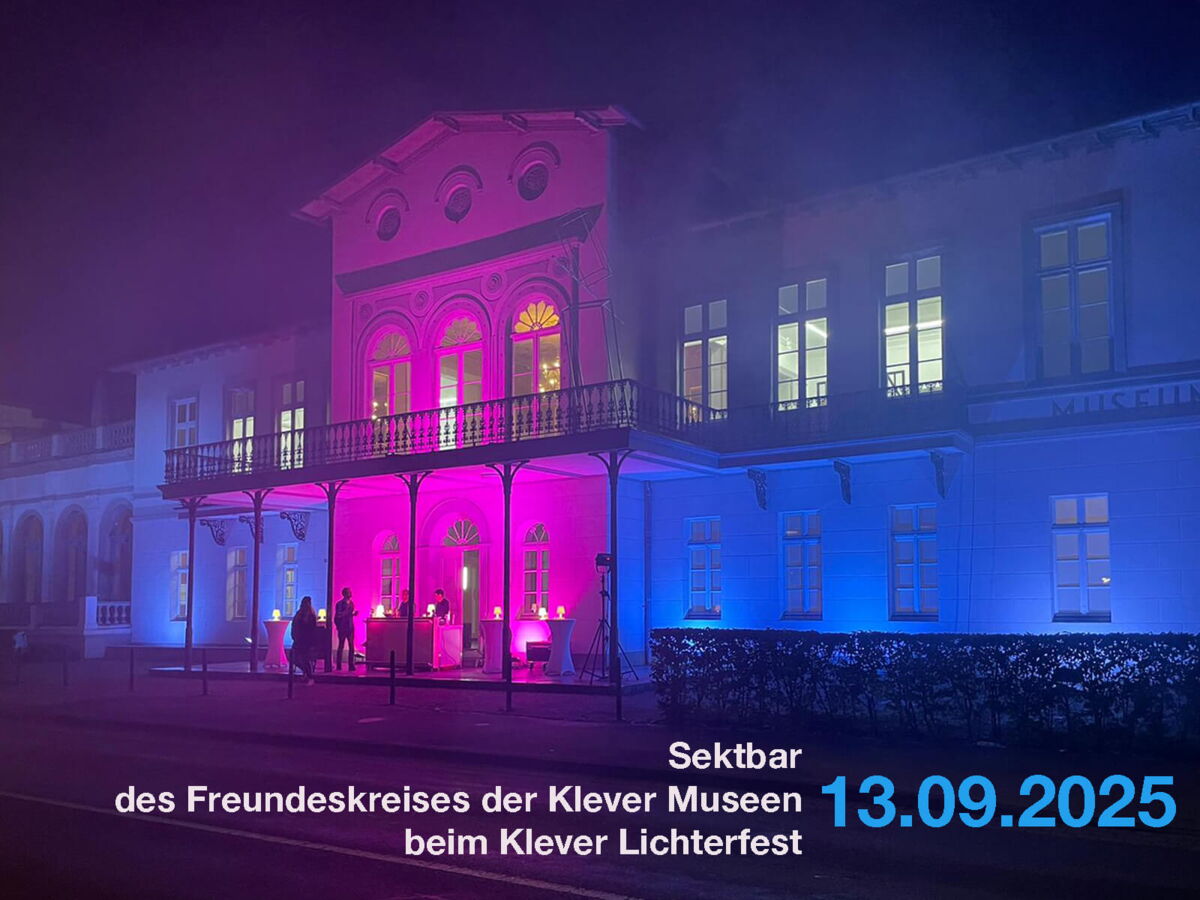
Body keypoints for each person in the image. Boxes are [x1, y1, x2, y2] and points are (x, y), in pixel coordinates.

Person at [290, 596, 318, 684]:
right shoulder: (300, 614)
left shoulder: (311, 616)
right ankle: (307, 673)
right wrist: (294, 635)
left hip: (306, 640)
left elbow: (312, 629)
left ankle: (308, 675)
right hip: (299, 639)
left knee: (305, 658)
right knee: (296, 658)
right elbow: (294, 625)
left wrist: (312, 641)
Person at [334, 587, 357, 671]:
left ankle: (351, 665)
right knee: (341, 646)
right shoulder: (340, 604)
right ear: (344, 594)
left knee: (351, 647)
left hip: (350, 628)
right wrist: (348, 613)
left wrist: (353, 614)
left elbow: (349, 614)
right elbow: (338, 615)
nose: (350, 594)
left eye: (350, 592)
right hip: (342, 628)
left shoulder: (351, 603)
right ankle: (338, 665)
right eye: (348, 592)